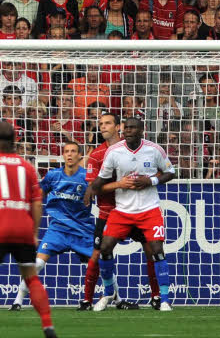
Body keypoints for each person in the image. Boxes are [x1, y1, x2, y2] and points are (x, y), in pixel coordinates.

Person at [0, 121, 57, 338]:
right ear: (14, 140)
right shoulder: (27, 167)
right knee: (31, 277)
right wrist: (33, 232)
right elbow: (36, 203)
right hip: (23, 229)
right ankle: (48, 326)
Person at [89, 117, 177, 312]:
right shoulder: (114, 152)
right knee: (104, 248)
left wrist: (151, 181)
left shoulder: (154, 149)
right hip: (122, 211)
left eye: (132, 128)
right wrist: (91, 190)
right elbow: (100, 180)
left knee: (157, 250)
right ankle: (109, 292)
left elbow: (171, 172)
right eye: (126, 127)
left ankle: (164, 300)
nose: (128, 130)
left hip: (149, 209)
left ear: (141, 130)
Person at [79, 112, 159, 310]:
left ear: (118, 127)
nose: (103, 127)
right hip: (108, 212)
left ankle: (156, 297)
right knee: (98, 254)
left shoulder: (134, 148)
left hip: (137, 209)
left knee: (151, 250)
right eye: (100, 124)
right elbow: (95, 188)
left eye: (107, 123)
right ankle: (88, 300)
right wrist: (119, 184)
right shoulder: (96, 155)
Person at [10, 141, 95, 311]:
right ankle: (17, 301)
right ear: (62, 155)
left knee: (100, 263)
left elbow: (100, 192)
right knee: (38, 263)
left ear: (80, 156)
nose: (69, 154)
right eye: (66, 151)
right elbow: (37, 196)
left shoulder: (87, 178)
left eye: (73, 151)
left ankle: (117, 297)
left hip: (82, 229)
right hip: (58, 229)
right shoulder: (53, 176)